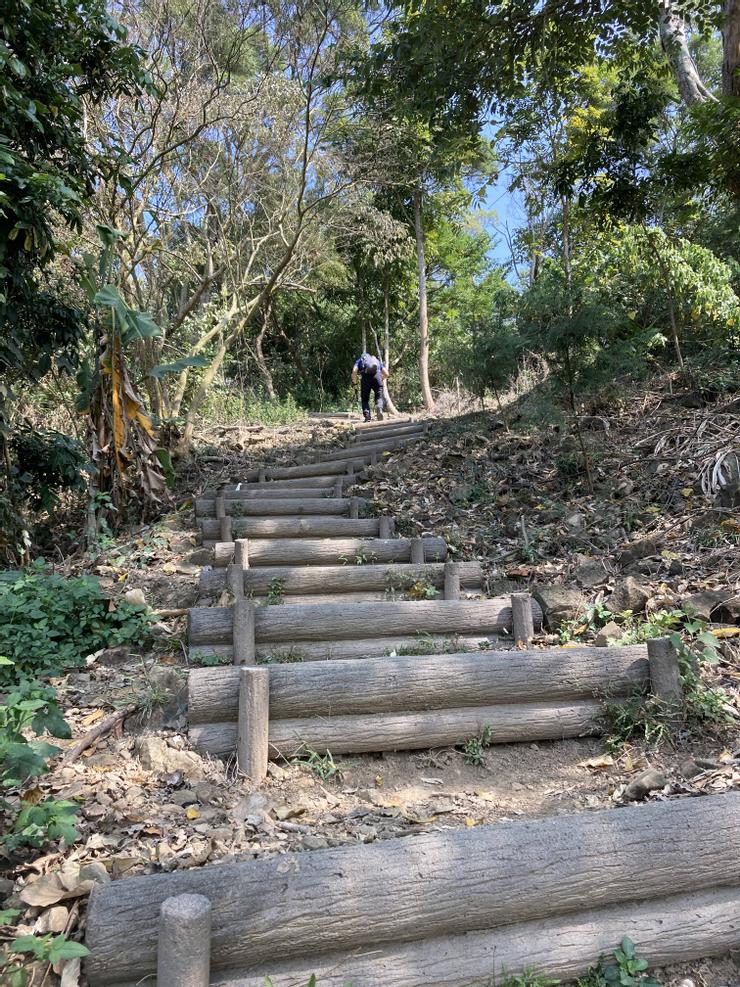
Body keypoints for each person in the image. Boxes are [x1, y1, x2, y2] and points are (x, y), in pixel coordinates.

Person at [352, 352, 389, 421]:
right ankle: (379, 408)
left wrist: (354, 383)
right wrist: (381, 379)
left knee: (365, 398)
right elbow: (387, 374)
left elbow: (354, 371)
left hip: (366, 378)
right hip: (377, 376)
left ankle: (367, 416)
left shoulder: (360, 360)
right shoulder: (376, 360)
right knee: (378, 397)